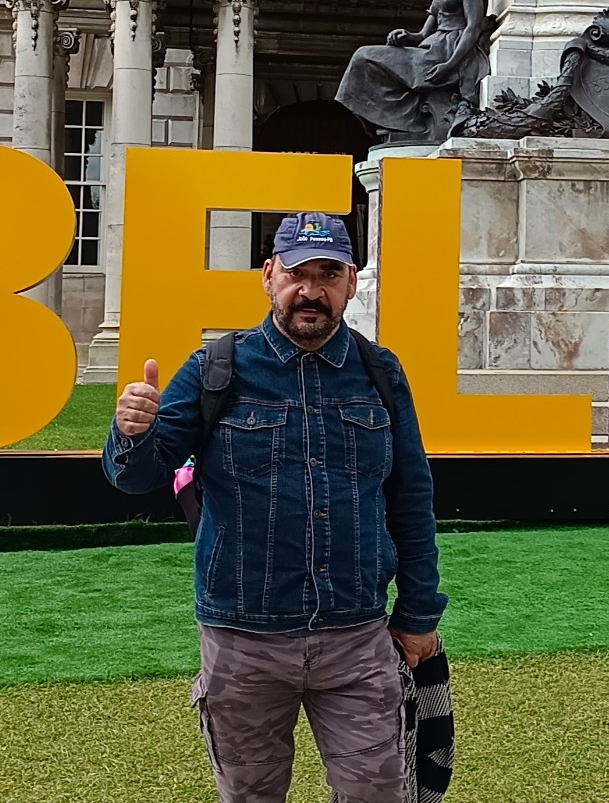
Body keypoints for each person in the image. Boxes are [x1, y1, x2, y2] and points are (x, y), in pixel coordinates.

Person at [103, 213, 445, 803]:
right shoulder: (217, 367)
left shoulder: (380, 372)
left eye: (328, 274)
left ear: (351, 283)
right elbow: (139, 478)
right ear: (268, 276)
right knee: (250, 795)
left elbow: (411, 497)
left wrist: (418, 612)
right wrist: (130, 434)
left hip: (356, 638)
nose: (309, 291)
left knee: (378, 793)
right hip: (244, 641)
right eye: (296, 274)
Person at [336, 0, 490, 144]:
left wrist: (450, 65)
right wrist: (406, 36)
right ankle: (392, 122)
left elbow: (473, 26)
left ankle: (401, 122)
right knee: (364, 59)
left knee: (363, 56)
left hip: (448, 51)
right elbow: (423, 34)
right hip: (432, 46)